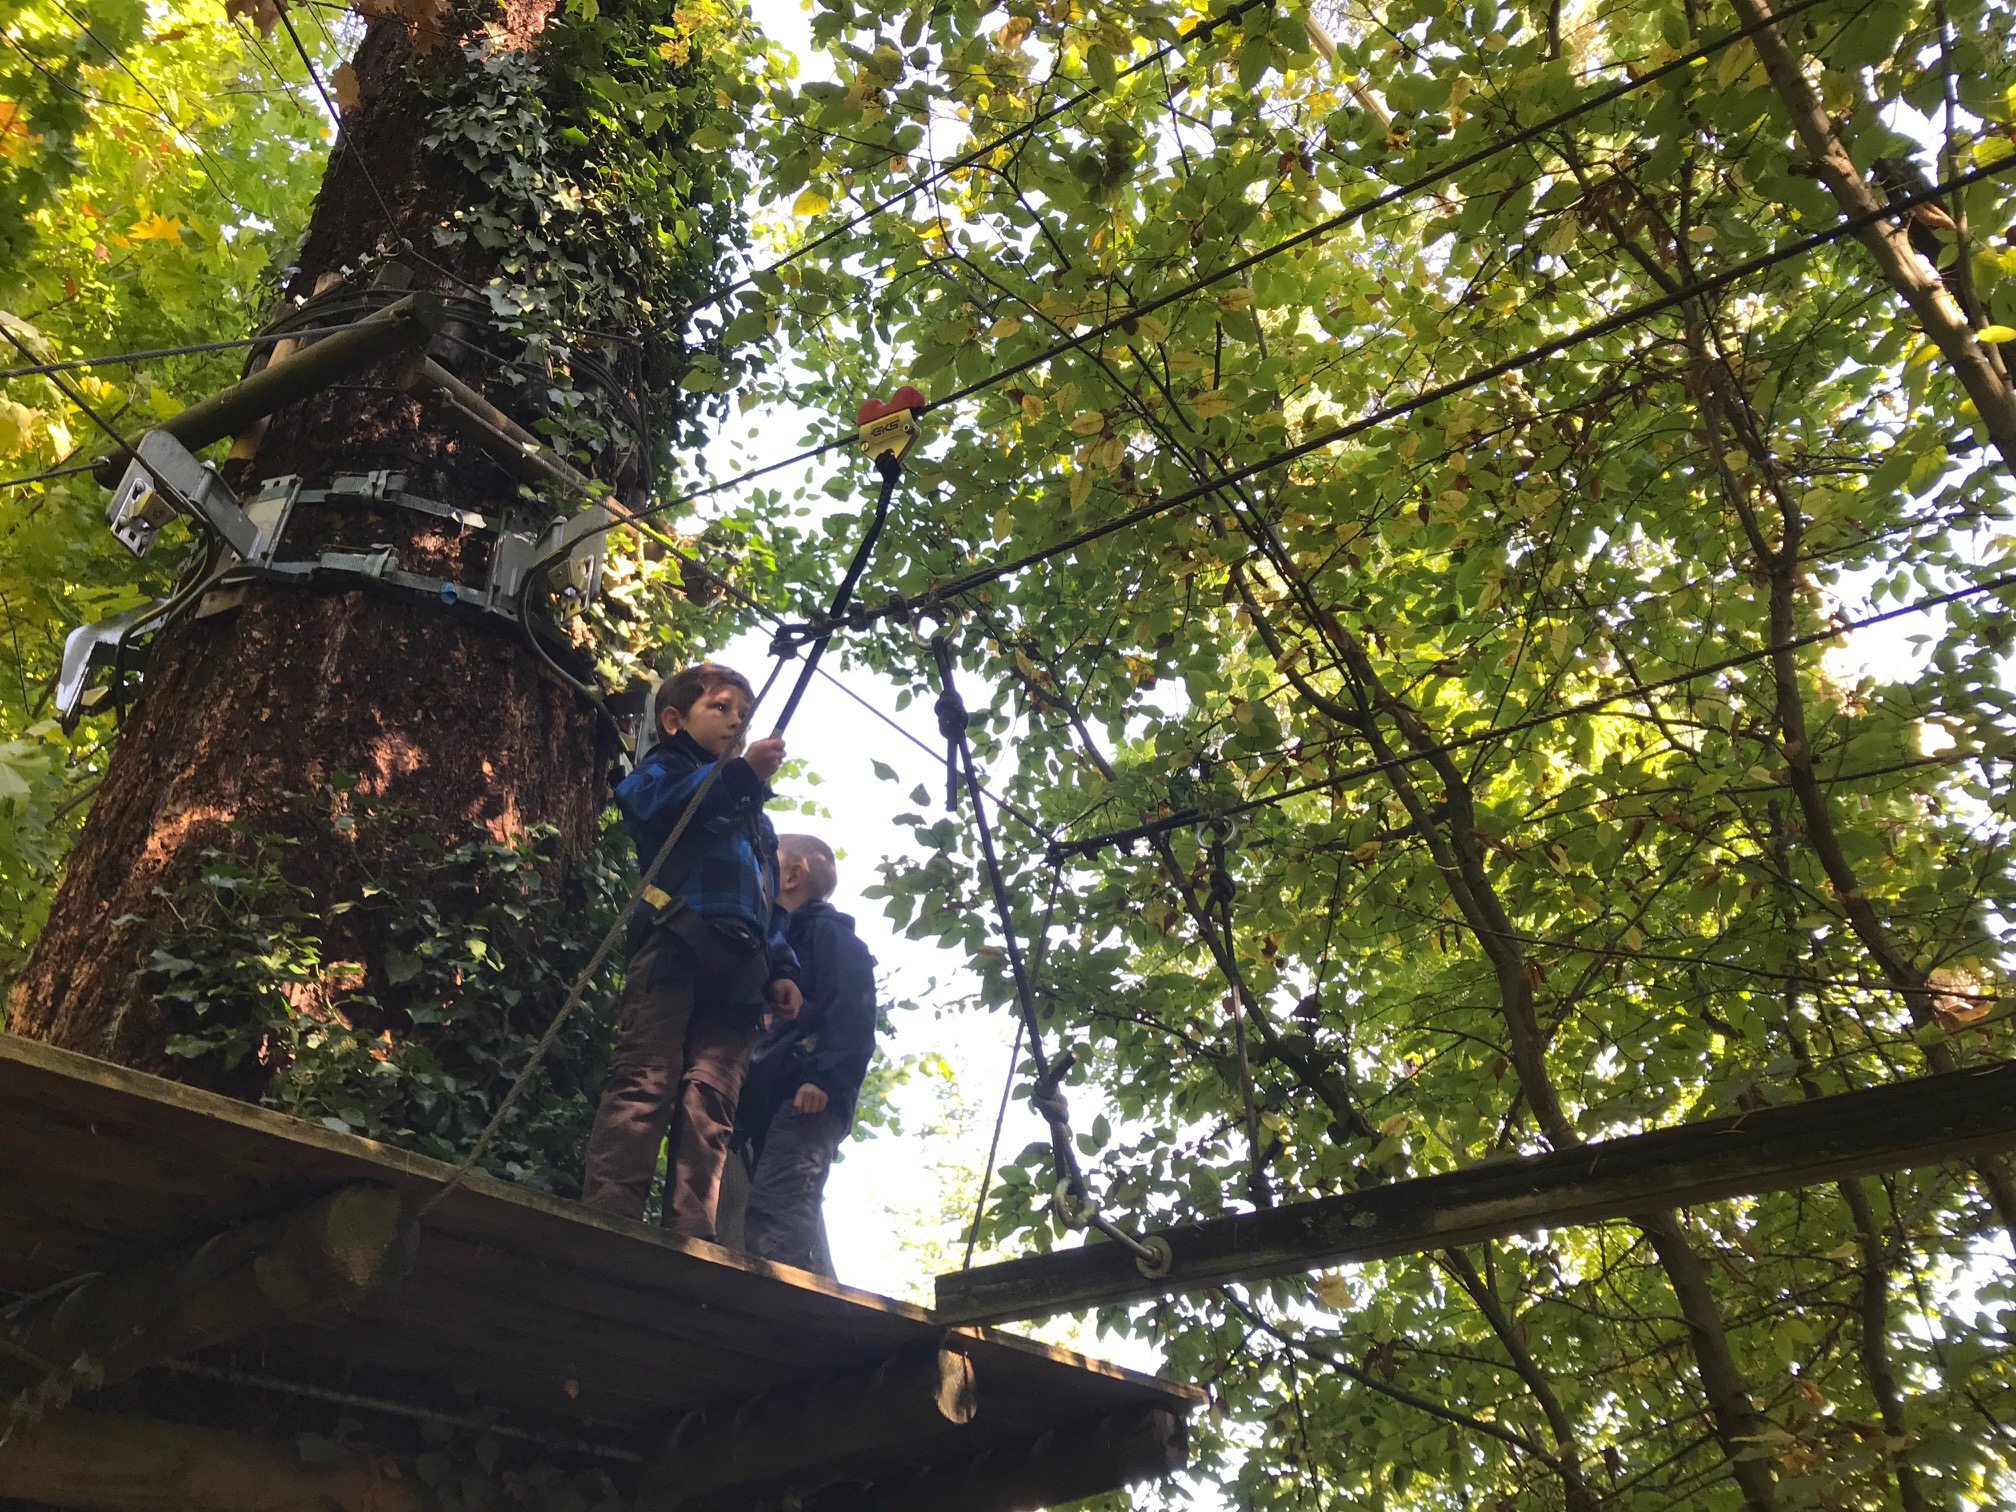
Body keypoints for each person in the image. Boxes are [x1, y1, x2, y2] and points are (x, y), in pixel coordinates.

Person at [580, 662, 802, 1239]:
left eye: (744, 717)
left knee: (711, 1104)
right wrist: (739, 778)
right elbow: (653, 807)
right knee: (646, 1080)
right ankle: (610, 1215)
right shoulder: (664, 770)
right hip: (675, 946)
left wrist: (780, 965)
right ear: (675, 720)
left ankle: (692, 1233)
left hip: (740, 971)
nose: (736, 723)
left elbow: (766, 899)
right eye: (721, 708)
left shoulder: (758, 824)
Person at [718, 833, 876, 1276]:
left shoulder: (829, 936)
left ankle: (789, 1308)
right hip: (769, 1103)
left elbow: (853, 1011)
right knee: (756, 1204)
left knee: (779, 1206)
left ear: (792, 875)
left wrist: (824, 1078)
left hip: (806, 1097)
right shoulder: (770, 938)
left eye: (767, 862)